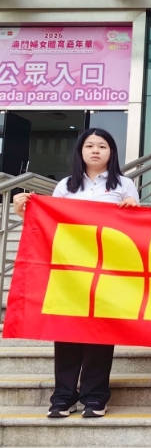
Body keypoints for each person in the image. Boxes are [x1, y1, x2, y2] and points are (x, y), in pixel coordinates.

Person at [13, 128, 138, 419]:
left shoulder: (125, 184)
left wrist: (133, 210)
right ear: (80, 151)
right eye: (89, 145)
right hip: (69, 271)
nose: (95, 150)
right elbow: (50, 224)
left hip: (107, 271)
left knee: (100, 333)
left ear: (112, 152)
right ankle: (63, 397)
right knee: (66, 332)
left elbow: (136, 231)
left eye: (102, 146)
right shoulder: (65, 186)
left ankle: (95, 397)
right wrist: (24, 212)